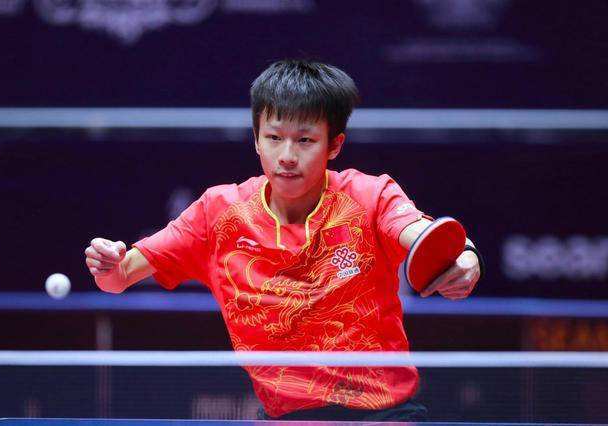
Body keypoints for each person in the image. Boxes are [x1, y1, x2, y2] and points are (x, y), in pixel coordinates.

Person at [84, 59, 482, 421]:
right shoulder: (218, 213)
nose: (287, 155)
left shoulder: (370, 196)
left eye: (305, 141)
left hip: (384, 415)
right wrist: (109, 264)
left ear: (334, 145)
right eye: (274, 137)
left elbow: (422, 234)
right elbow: (118, 279)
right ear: (256, 140)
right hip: (288, 419)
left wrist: (466, 258)